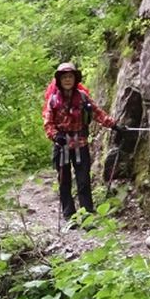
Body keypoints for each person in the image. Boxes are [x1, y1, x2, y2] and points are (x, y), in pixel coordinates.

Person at [42, 62, 125, 223]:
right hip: (62, 146)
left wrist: (114, 125)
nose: (67, 80)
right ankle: (69, 216)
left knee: (83, 181)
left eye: (70, 77)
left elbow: (97, 113)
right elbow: (48, 123)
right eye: (64, 77)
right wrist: (55, 135)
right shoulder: (53, 101)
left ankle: (87, 216)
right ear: (59, 80)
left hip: (80, 144)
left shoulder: (82, 97)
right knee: (64, 181)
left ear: (75, 79)